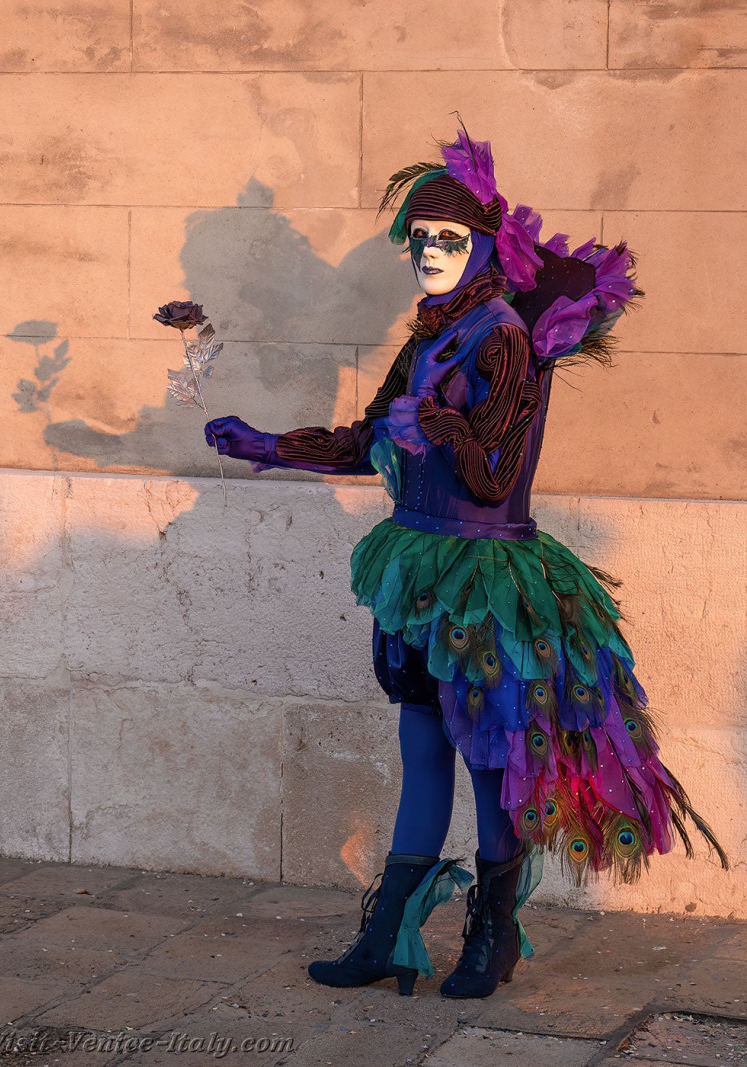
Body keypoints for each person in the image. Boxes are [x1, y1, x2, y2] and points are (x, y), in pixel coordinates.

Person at [204, 126, 729, 1000]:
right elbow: (366, 439)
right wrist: (268, 443)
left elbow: (493, 474)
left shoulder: (503, 339)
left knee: (489, 754)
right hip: (415, 570)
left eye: (448, 238)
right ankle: (391, 928)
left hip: (483, 577)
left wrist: (438, 427)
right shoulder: (426, 339)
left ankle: (494, 930)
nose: (430, 253)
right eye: (419, 239)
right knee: (421, 745)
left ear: (483, 244)